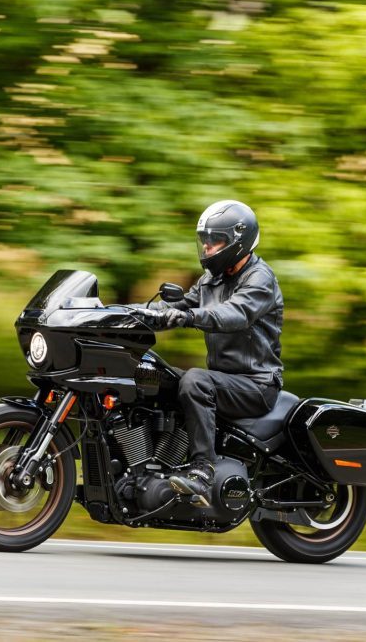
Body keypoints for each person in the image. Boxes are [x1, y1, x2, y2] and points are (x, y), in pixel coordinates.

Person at [135, 200, 283, 508]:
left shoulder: (260, 279)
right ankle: (153, 466)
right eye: (205, 241)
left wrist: (191, 318)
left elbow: (235, 314)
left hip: (256, 384)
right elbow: (173, 309)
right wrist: (125, 313)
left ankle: (203, 471)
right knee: (148, 371)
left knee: (195, 381)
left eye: (216, 242)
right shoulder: (210, 280)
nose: (208, 249)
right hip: (224, 379)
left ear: (238, 241)